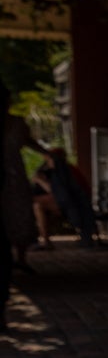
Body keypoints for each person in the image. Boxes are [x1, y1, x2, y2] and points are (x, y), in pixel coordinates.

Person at [1, 86, 37, 331]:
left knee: (19, 218)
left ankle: (21, 257)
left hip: (12, 179)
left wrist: (47, 154)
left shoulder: (16, 123)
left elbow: (29, 141)